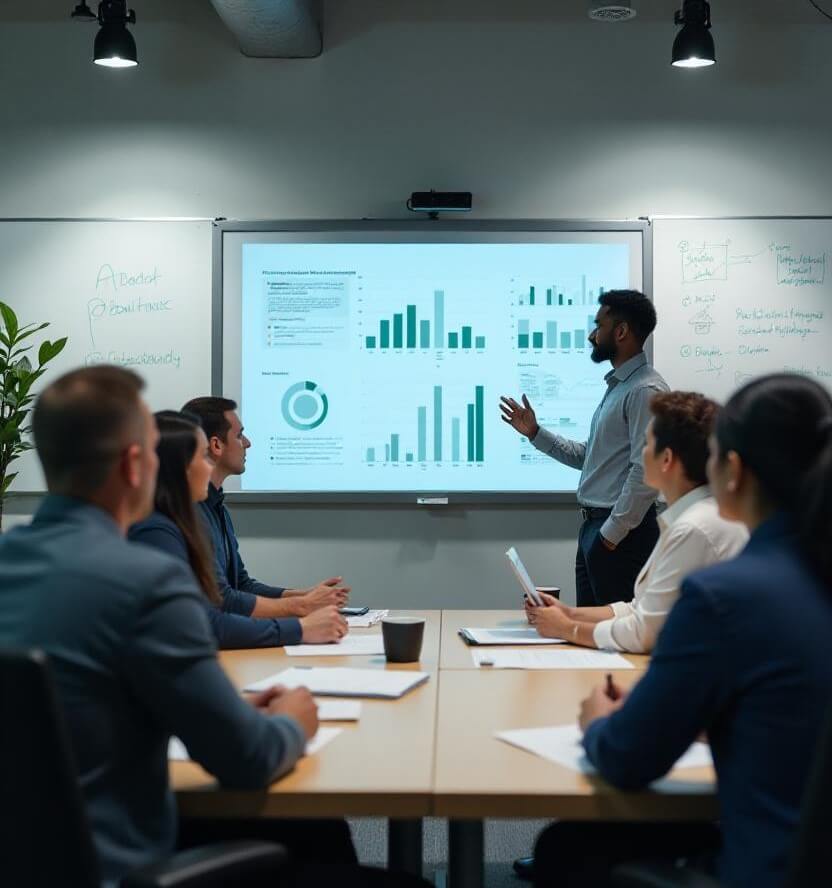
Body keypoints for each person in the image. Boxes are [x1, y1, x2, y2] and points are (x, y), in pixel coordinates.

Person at [0, 367, 314, 884]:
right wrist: (295, 720)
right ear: (133, 465)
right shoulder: (147, 582)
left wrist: (216, 704)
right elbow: (248, 759)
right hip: (120, 867)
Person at [533, 373, 832, 888]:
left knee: (564, 848)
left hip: (763, 869)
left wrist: (598, 719)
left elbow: (629, 758)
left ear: (732, 470)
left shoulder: (726, 594)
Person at [525, 391, 748, 652]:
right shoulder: (691, 519)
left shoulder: (696, 528)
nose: (640, 455)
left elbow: (644, 633)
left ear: (666, 460)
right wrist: (570, 613)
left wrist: (565, 628)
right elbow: (639, 608)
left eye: (646, 445)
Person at [501, 289, 669, 609]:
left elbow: (645, 472)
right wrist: (535, 433)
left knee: (617, 640)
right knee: (589, 634)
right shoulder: (620, 388)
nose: (593, 335)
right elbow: (589, 458)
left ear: (620, 332)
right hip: (596, 530)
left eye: (598, 325)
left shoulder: (645, 390)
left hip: (620, 535)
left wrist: (611, 534)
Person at [129, 411, 345, 647]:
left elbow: (227, 596)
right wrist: (300, 627)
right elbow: (207, 623)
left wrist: (302, 606)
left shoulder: (179, 521)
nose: (209, 466)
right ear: (181, 469)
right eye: (203, 457)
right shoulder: (158, 532)